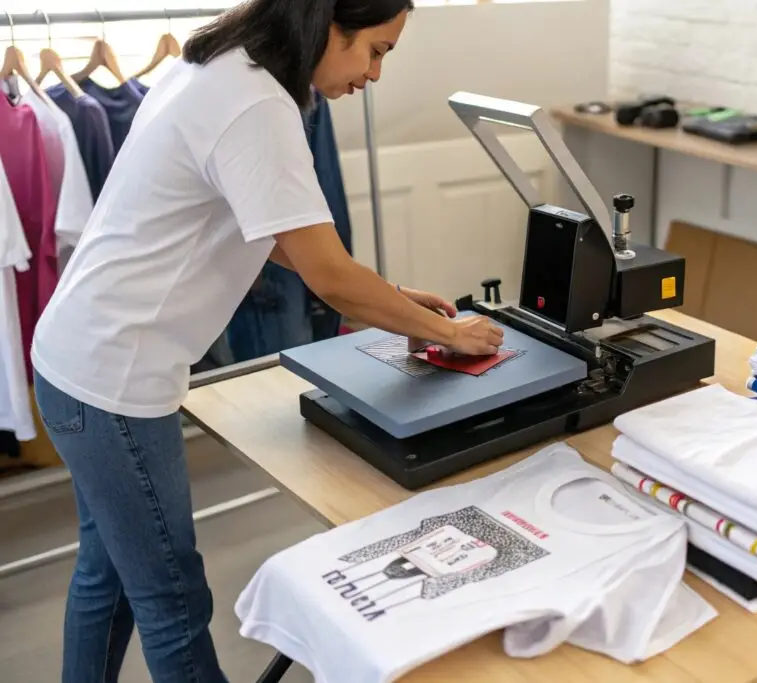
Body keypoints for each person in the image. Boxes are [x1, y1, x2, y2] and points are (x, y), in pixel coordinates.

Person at [30, 1, 504, 681]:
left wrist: (398, 302)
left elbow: (279, 227)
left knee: (108, 579)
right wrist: (447, 333)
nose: (374, 74)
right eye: (375, 50)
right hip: (114, 383)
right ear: (327, 25)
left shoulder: (217, 65)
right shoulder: (256, 105)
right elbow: (329, 277)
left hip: (77, 357)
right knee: (171, 597)